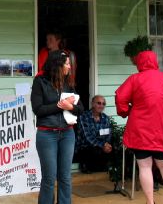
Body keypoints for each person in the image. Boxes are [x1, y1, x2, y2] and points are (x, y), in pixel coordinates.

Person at [115, 50, 163, 204]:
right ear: (155, 62)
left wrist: (127, 112)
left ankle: (150, 202)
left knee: (144, 167)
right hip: (161, 128)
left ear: (139, 63)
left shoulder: (134, 79)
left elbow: (120, 97)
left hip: (139, 130)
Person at [31, 50, 83, 204]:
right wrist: (61, 106)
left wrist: (71, 107)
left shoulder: (67, 83)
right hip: (47, 135)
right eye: (67, 64)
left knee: (65, 176)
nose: (69, 67)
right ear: (57, 65)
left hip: (67, 134)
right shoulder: (40, 81)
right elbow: (38, 109)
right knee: (49, 177)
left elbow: (81, 109)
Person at [76, 95, 112, 173]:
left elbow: (108, 135)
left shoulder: (105, 118)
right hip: (86, 147)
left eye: (103, 104)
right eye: (99, 103)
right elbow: (87, 137)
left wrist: (106, 145)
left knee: (112, 148)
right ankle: (86, 166)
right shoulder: (83, 116)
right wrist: (103, 145)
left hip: (100, 148)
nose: (101, 106)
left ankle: (104, 167)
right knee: (90, 149)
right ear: (92, 104)